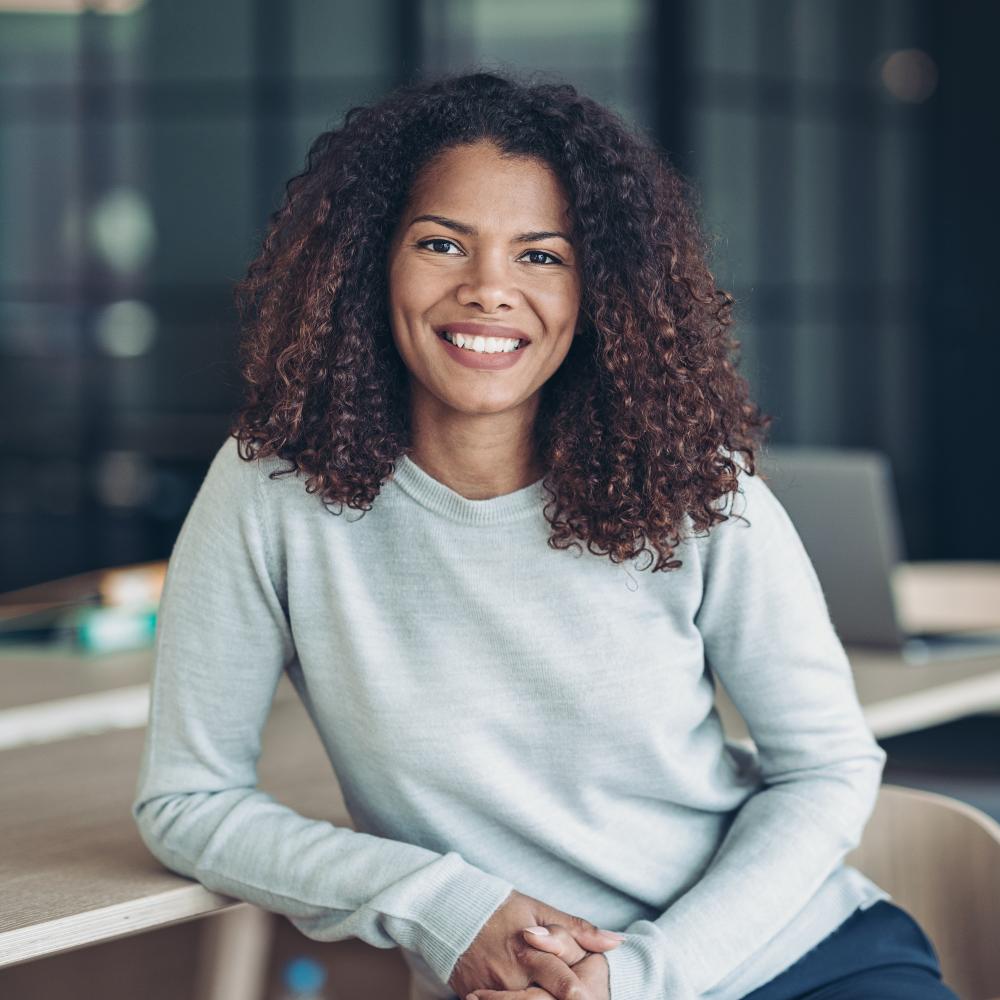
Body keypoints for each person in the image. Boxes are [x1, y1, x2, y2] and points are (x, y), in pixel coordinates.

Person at [131, 70, 958, 1000]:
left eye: (542, 255)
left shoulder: (691, 482)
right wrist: (442, 905)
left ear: (597, 289)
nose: (488, 290)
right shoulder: (270, 485)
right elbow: (188, 802)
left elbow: (828, 768)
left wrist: (636, 981)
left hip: (791, 964)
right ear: (371, 262)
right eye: (443, 243)